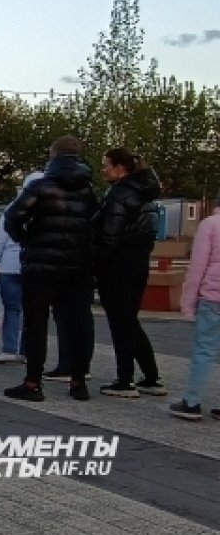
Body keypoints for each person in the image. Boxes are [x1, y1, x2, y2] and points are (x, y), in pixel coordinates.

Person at [3, 135, 98, 402]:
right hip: (77, 267)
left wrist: (27, 241)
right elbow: (96, 229)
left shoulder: (40, 187)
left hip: (40, 267)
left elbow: (12, 217)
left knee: (36, 325)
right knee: (76, 324)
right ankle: (78, 382)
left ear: (53, 155)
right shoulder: (89, 191)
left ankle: (33, 383)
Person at [91, 148, 165, 396]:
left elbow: (109, 235)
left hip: (117, 265)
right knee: (130, 320)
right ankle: (151, 376)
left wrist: (96, 263)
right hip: (139, 262)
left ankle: (125, 379)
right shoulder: (146, 194)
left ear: (119, 167)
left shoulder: (119, 194)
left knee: (119, 323)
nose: (103, 170)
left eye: (106, 164)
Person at [171, 189, 220, 420]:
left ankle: (192, 401)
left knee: (204, 350)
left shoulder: (210, 225)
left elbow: (197, 267)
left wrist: (188, 304)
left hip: (213, 297)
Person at [0, 172, 42, 363]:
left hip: (10, 265)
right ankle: (28, 350)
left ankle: (9, 348)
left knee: (12, 309)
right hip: (35, 265)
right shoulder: (47, 209)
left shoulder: (13, 208)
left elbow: (0, 239)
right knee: (33, 311)